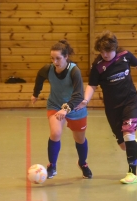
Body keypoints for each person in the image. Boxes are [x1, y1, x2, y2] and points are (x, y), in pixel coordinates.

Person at [75, 30, 137, 184]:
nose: (105, 54)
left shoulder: (125, 56)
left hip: (130, 102)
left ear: (114, 48)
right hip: (113, 109)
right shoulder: (98, 66)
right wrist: (86, 100)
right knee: (124, 145)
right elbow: (92, 85)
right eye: (102, 51)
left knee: (128, 133)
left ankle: (132, 173)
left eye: (108, 51)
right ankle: (135, 146)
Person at [31, 40, 92, 179]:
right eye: (52, 58)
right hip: (55, 104)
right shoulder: (48, 69)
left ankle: (82, 163)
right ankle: (52, 165)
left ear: (66, 57)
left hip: (76, 108)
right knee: (56, 132)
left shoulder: (74, 71)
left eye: (58, 58)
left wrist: (66, 109)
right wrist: (36, 93)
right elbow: (40, 77)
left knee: (80, 140)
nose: (55, 62)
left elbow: (79, 95)